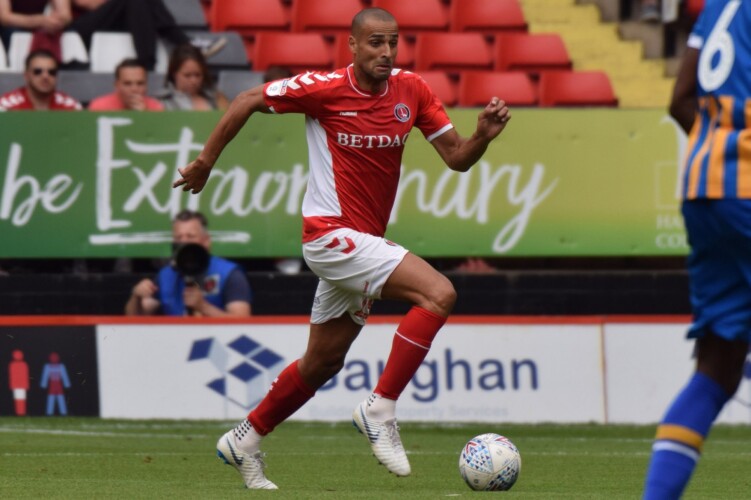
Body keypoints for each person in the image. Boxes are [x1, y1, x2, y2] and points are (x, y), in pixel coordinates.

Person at [173, 7, 511, 490]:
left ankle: (244, 439)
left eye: (392, 42)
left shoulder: (412, 90)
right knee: (439, 294)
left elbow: (457, 158)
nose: (386, 52)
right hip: (329, 236)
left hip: (361, 245)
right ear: (352, 45)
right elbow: (247, 99)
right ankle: (380, 408)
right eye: (375, 42)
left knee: (323, 362)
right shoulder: (324, 89)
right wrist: (206, 162)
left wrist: (481, 137)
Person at [643, 1, 751, 498]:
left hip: (705, 188)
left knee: (717, 370)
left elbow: (680, 99)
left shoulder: (720, 6)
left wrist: (722, 150)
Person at [125, 209, 252, 317]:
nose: (183, 242)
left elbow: (242, 322)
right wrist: (136, 296)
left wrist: (203, 307)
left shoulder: (228, 274)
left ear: (206, 241)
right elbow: (134, 320)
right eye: (178, 237)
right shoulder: (166, 275)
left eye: (190, 236)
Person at [0, 49, 82, 110]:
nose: (45, 76)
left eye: (51, 72)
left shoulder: (71, 107)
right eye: (37, 71)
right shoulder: (5, 106)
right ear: (26, 75)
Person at [157, 43, 229, 111]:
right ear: (174, 74)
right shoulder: (162, 102)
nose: (193, 81)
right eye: (187, 75)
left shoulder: (217, 99)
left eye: (198, 75)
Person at [88, 58, 163, 111]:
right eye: (127, 84)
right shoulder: (99, 107)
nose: (134, 89)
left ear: (146, 85)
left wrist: (145, 115)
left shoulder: (155, 107)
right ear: (116, 85)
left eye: (140, 83)